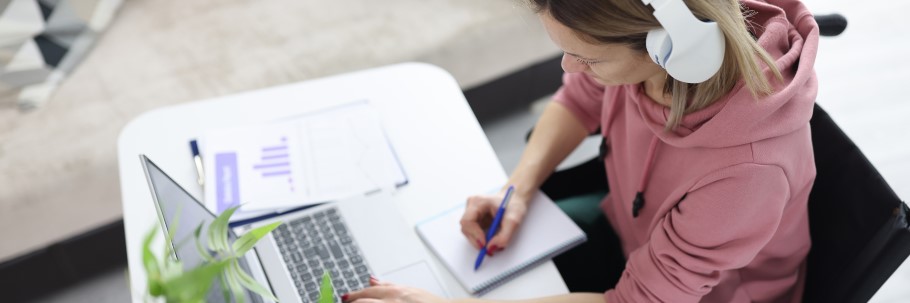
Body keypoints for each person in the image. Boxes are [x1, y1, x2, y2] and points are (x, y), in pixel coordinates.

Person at [345, 0, 818, 301]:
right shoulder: (665, 59)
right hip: (627, 231)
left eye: (588, 59)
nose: (570, 68)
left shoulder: (747, 171)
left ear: (671, 49)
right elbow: (579, 98)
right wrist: (518, 190)